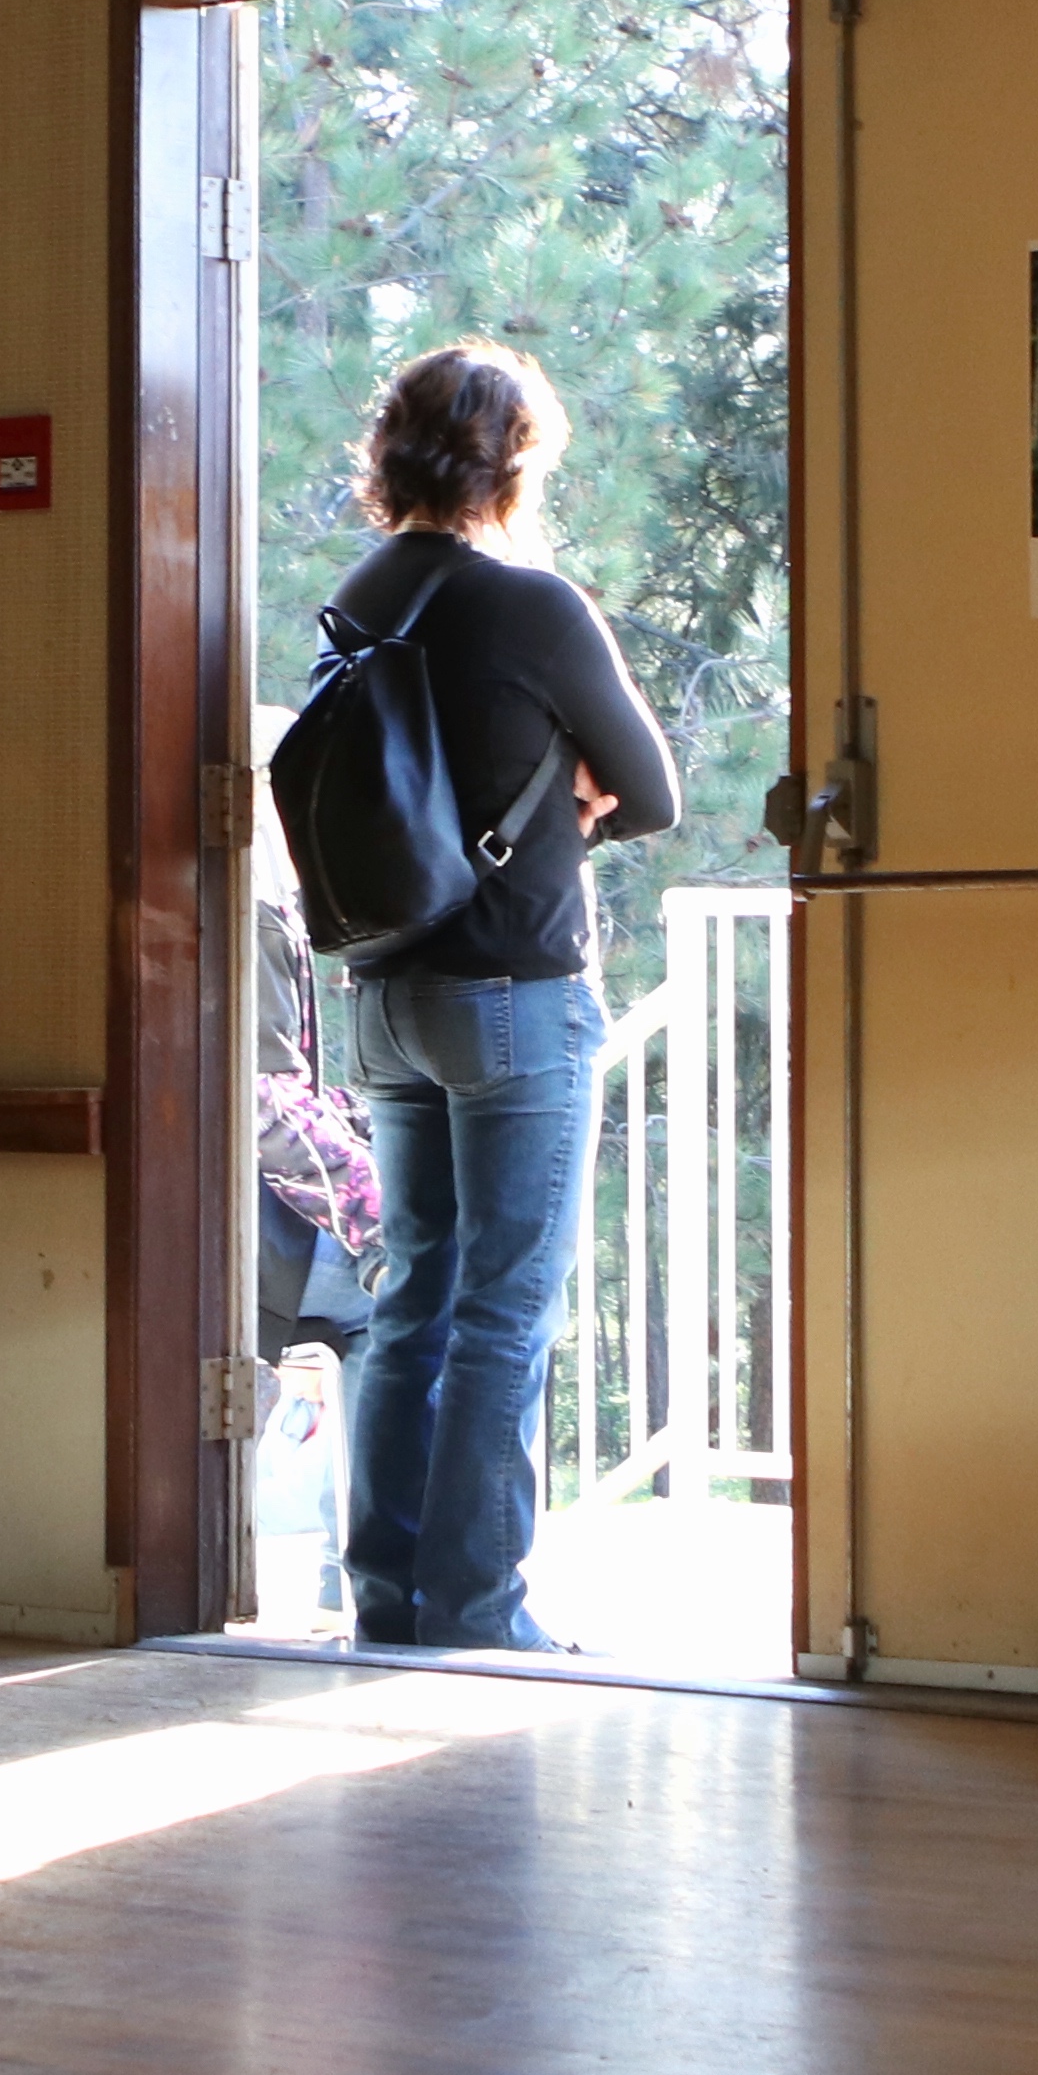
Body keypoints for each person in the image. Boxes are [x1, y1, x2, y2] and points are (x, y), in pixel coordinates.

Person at [314, 341, 679, 1654]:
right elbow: (657, 792)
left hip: (387, 988)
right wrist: (576, 791)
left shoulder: (364, 596)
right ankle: (478, 1611)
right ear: (515, 461)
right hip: (515, 991)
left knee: (412, 1294)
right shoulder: (535, 609)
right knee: (503, 1312)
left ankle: (387, 1601)